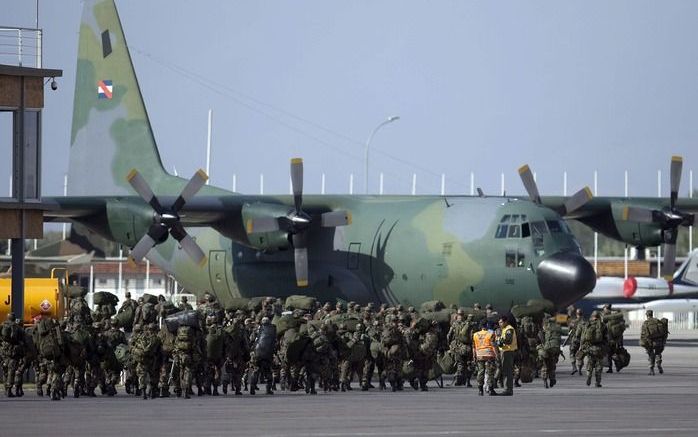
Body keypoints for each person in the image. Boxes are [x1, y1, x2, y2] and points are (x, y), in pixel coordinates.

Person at [1, 312, 26, 397]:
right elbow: (23, 340)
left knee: (5, 369)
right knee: (11, 370)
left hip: (3, 351)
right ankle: (9, 389)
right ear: (14, 319)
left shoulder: (3, 325)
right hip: (13, 352)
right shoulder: (17, 327)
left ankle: (5, 388)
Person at [581, 310, 607, 388]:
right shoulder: (602, 325)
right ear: (599, 316)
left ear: (592, 316)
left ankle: (589, 375)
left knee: (590, 363)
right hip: (599, 348)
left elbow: (583, 337)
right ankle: (597, 383)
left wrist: (582, 347)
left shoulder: (588, 324)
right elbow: (606, 337)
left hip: (590, 348)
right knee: (599, 366)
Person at [472, 319, 498, 396]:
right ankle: (490, 389)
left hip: (479, 355)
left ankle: (480, 390)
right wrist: (497, 355)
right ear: (487, 325)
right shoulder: (491, 333)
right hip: (489, 355)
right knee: (490, 372)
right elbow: (493, 345)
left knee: (480, 372)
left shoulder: (475, 334)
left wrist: (474, 355)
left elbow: (473, 347)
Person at [640, 310, 668, 375]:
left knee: (651, 355)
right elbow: (663, 332)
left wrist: (643, 342)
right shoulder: (658, 321)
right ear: (652, 314)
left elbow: (643, 334)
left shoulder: (646, 323)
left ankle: (651, 370)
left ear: (647, 315)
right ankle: (659, 365)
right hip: (658, 341)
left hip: (650, 342)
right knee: (658, 353)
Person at [497, 315, 517, 396]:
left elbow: (508, 341)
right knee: (505, 370)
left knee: (507, 371)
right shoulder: (504, 329)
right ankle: (506, 388)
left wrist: (500, 340)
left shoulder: (509, 329)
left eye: (501, 322)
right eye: (499, 322)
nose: (500, 324)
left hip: (508, 352)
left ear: (505, 322)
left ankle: (508, 390)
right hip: (505, 351)